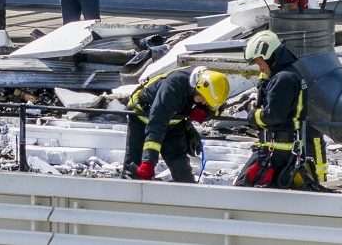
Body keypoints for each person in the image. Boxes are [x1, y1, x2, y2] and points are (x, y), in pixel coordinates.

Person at [235, 30, 327, 189]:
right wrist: (263, 85)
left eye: (259, 63)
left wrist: (252, 114)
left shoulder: (283, 79)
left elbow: (273, 116)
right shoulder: (287, 75)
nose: (260, 68)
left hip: (277, 153)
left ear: (269, 57)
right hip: (281, 151)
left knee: (243, 190)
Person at [124, 66, 230, 183]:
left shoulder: (210, 85)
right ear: (198, 87)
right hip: (142, 118)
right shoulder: (172, 87)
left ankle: (187, 198)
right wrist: (148, 162)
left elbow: (216, 108)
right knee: (134, 171)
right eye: (203, 98)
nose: (204, 102)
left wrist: (206, 112)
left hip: (173, 122)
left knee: (182, 171)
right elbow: (157, 124)